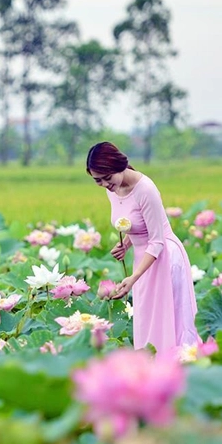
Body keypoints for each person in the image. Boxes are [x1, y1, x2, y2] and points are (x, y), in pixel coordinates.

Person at [86, 141, 201, 355]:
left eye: (106, 178)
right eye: (97, 180)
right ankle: (149, 372)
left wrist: (134, 278)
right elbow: (137, 224)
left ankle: (180, 370)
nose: (103, 184)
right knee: (146, 320)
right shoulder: (112, 188)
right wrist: (126, 244)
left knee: (167, 320)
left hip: (164, 257)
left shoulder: (145, 189)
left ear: (118, 166)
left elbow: (157, 240)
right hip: (143, 258)